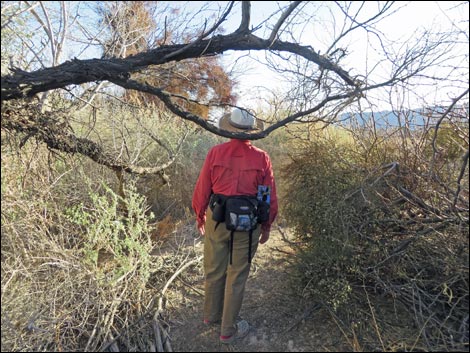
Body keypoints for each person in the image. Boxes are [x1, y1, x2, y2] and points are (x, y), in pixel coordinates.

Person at [192, 107, 278, 344]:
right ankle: (227, 330)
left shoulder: (215, 153)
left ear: (229, 128)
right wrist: (267, 225)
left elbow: (202, 189)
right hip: (247, 225)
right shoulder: (262, 158)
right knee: (237, 275)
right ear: (251, 131)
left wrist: (200, 216)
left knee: (214, 268)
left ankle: (211, 316)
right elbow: (267, 196)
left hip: (217, 220)